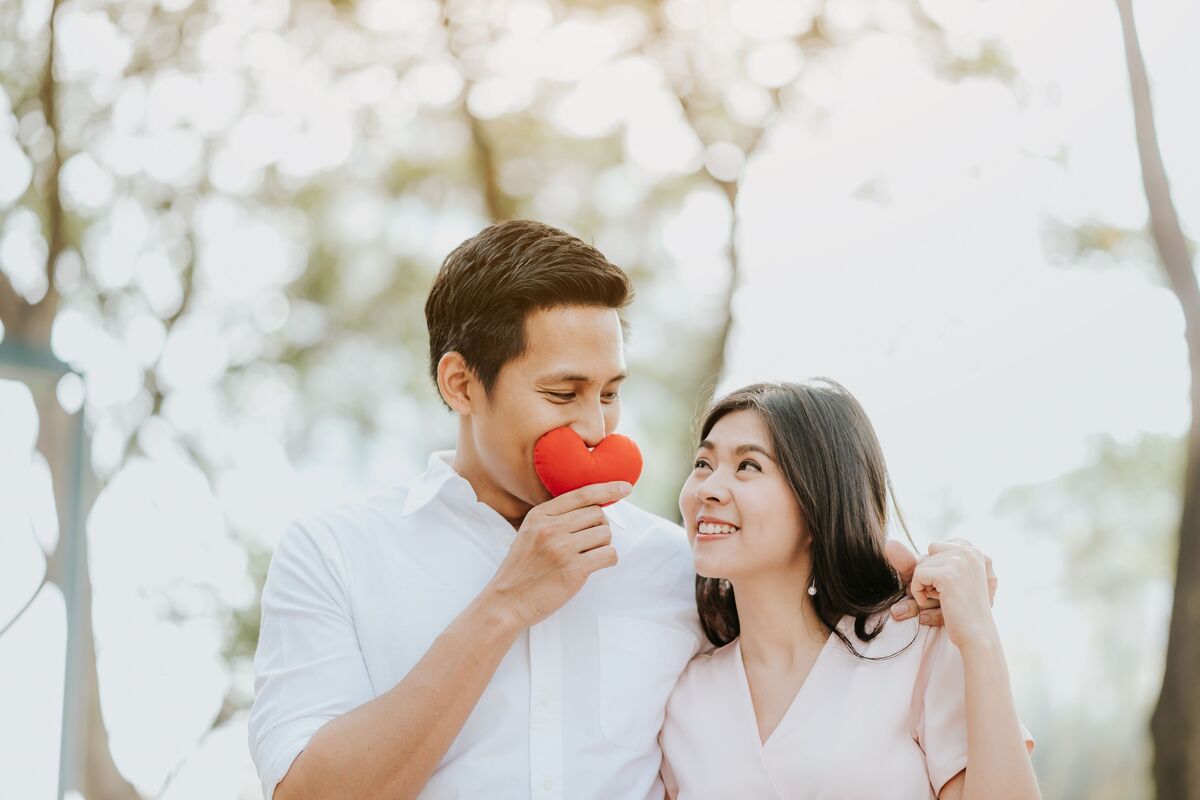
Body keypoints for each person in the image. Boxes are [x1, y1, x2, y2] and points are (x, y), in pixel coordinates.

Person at [248, 220, 993, 800]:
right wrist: (503, 607)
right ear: (460, 384)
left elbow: (810, 620)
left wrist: (916, 568)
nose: (598, 428)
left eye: (610, 392)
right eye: (562, 393)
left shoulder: (678, 563)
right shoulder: (335, 554)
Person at [659, 381, 1037, 799]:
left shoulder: (913, 646)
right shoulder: (683, 698)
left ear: (819, 499)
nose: (706, 488)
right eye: (702, 463)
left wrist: (979, 636)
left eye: (749, 465)